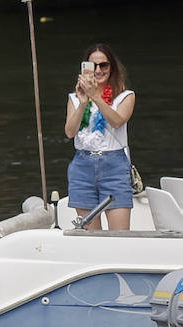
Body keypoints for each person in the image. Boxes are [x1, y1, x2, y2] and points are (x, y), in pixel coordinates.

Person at [64, 43, 136, 231]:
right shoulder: (74, 98)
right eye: (92, 65)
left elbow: (117, 121)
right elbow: (70, 132)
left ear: (111, 68)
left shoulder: (125, 96)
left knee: (120, 235)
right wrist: (82, 103)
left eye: (103, 65)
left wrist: (96, 97)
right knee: (91, 237)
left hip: (114, 166)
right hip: (83, 166)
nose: (98, 70)